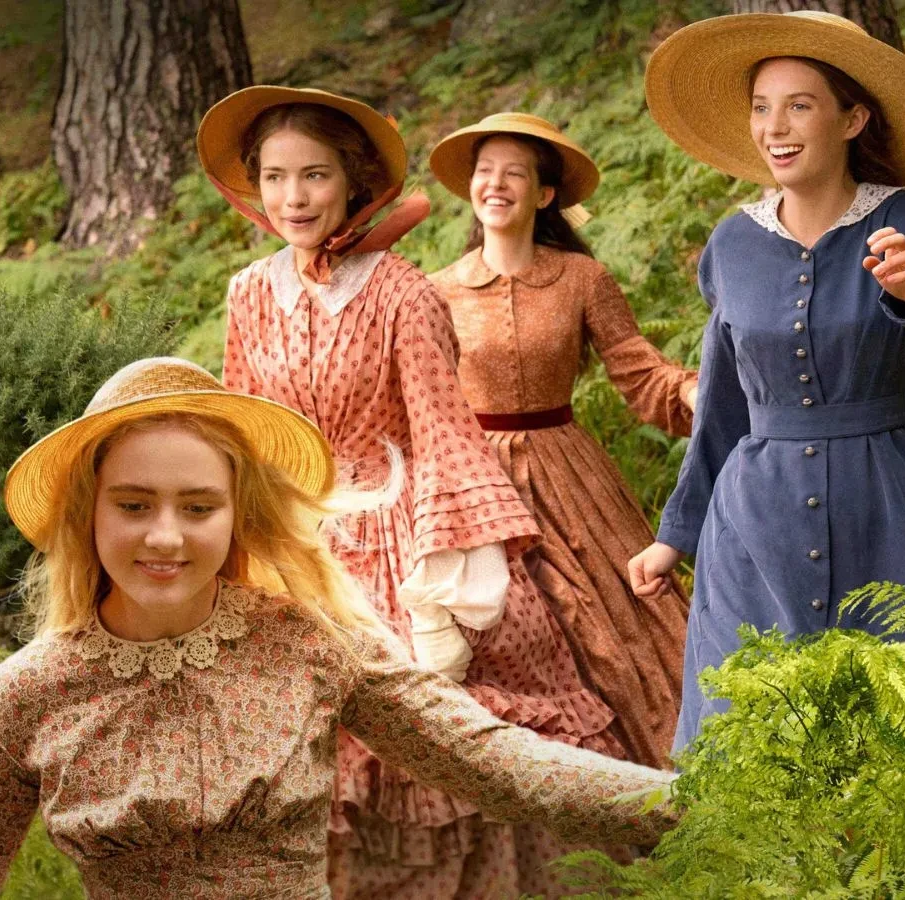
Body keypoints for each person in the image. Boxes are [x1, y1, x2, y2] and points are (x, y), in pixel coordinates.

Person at [0, 357, 676, 898]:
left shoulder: (308, 643)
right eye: (134, 505)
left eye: (198, 507)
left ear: (239, 517)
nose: (166, 536)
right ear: (87, 514)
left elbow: (493, 762)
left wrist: (693, 804)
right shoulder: (29, 693)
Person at [197, 87, 634, 897]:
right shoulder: (248, 293)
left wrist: (453, 591)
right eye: (276, 177)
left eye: (315, 177)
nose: (294, 198)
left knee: (442, 729)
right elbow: (245, 440)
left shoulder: (404, 292)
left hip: (402, 541)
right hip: (296, 546)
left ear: (355, 182)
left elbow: (442, 435)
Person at [629, 11, 905, 753]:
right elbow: (721, 408)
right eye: (761, 107)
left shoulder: (899, 216)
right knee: (756, 744)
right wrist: (673, 538)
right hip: (753, 526)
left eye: (799, 105)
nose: (775, 126)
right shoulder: (732, 244)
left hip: (888, 511)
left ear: (852, 119)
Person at [426, 113, 696, 770]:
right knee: (510, 632)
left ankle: (673, 778)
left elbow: (637, 367)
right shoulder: (435, 291)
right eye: (484, 171)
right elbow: (418, 405)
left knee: (624, 623)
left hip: (570, 472)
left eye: (514, 173)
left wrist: (693, 390)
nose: (496, 183)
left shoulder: (583, 280)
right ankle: (554, 802)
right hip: (476, 486)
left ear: (544, 194)